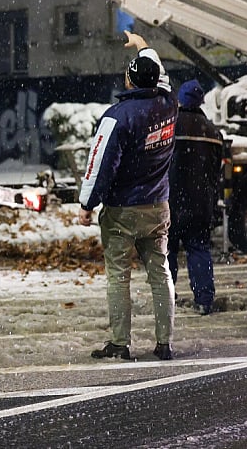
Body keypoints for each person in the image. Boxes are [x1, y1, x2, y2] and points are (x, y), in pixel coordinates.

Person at [78, 30, 178, 361]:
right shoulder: (169, 104)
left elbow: (100, 164)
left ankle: (120, 343)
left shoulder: (117, 118)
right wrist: (142, 43)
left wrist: (87, 203)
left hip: (123, 209)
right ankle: (164, 343)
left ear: (130, 82)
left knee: (119, 277)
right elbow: (157, 70)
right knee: (160, 272)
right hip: (158, 205)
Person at [167, 79, 224, 316]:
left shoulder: (169, 127)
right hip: (200, 204)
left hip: (170, 201)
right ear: (201, 101)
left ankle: (167, 298)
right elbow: (215, 171)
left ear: (180, 100)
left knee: (167, 251)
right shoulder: (212, 132)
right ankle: (203, 300)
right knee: (199, 249)